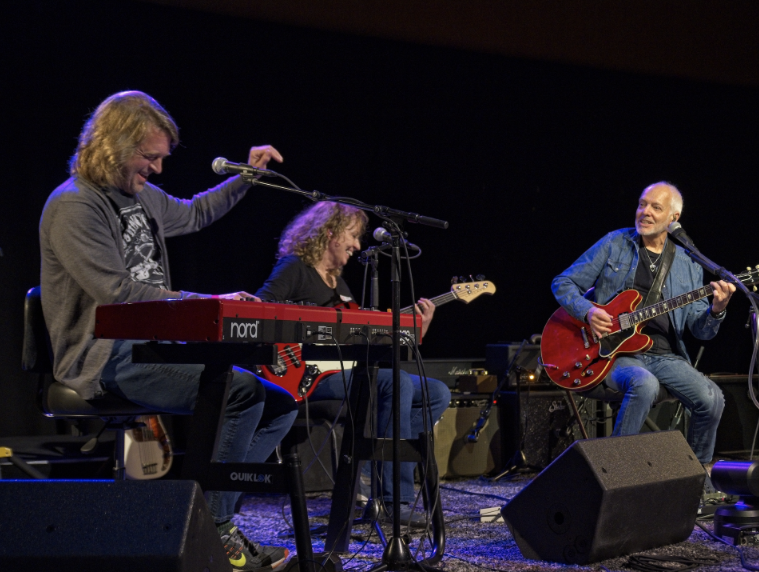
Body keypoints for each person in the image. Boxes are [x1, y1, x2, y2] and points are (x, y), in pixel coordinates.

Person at [39, 91, 296, 571]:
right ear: (114, 145)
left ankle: (200, 515)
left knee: (279, 403)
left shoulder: (140, 195)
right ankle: (216, 533)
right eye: (149, 157)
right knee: (239, 392)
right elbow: (115, 290)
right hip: (104, 356)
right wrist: (209, 302)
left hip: (152, 346)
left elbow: (196, 212)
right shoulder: (75, 206)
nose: (157, 170)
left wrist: (249, 175)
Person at [255, 201, 451, 525]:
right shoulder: (295, 268)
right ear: (329, 233)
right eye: (352, 235)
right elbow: (259, 309)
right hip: (302, 374)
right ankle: (392, 500)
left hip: (344, 371)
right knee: (396, 382)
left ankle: (380, 473)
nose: (358, 246)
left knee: (437, 392)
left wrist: (420, 327)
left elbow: (368, 342)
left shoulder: (340, 285)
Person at [550, 182, 733, 471]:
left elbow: (701, 331)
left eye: (655, 207)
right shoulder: (615, 243)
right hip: (613, 355)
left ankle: (697, 475)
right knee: (643, 383)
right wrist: (587, 312)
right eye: (641, 204)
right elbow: (563, 283)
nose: (644, 212)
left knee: (712, 399)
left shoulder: (689, 262)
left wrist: (717, 310)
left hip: (663, 355)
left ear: (674, 218)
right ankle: (615, 471)